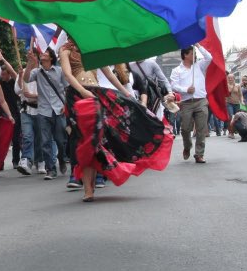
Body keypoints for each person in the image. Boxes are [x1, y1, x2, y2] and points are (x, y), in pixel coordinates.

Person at [60, 40, 173, 202]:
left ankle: (92, 185)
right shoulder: (65, 50)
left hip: (95, 95)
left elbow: (109, 74)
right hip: (77, 98)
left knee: (99, 141)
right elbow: (67, 74)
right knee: (85, 142)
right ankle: (88, 189)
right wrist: (83, 91)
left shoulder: (92, 48)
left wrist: (125, 93)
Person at [23, 47, 68, 181]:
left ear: (51, 57)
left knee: (60, 140)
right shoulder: (37, 72)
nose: (42, 54)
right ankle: (50, 169)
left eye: (45, 52)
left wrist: (66, 106)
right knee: (45, 141)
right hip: (43, 111)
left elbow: (67, 88)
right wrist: (30, 64)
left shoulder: (59, 71)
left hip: (59, 109)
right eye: (42, 53)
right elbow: (26, 79)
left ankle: (61, 158)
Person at [170, 44, 212, 163]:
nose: (195, 55)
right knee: (185, 129)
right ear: (185, 55)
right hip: (186, 102)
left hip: (201, 101)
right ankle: (187, 146)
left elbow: (209, 57)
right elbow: (174, 85)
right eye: (192, 53)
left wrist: (198, 45)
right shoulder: (177, 70)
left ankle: (199, 154)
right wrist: (186, 90)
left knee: (201, 129)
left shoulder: (199, 65)